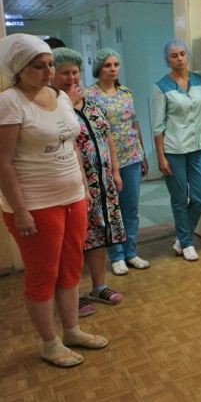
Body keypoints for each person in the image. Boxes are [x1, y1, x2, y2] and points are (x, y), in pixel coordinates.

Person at [0, 34, 108, 367]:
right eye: (39, 66)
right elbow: (3, 162)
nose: (48, 71)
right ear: (19, 68)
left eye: (50, 64)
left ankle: (71, 330)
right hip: (36, 204)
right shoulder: (10, 102)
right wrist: (20, 211)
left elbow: (72, 146)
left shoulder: (60, 97)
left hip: (72, 198)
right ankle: (50, 342)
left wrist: (84, 188)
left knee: (71, 267)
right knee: (43, 274)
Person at [52, 47, 127, 317]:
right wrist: (67, 105)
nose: (71, 77)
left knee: (99, 236)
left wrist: (115, 171)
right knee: (73, 243)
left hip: (102, 183)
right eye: (65, 73)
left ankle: (99, 286)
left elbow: (108, 139)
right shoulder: (52, 107)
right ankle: (74, 294)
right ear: (53, 75)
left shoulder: (93, 104)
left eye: (75, 72)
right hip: (74, 187)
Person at [85, 48, 150, 274]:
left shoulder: (126, 93)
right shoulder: (89, 95)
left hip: (131, 157)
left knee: (131, 208)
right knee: (112, 210)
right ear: (99, 68)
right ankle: (116, 256)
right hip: (105, 162)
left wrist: (142, 154)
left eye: (116, 64)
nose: (113, 69)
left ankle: (131, 252)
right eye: (108, 65)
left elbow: (135, 123)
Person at [151, 39, 201, 261]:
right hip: (173, 149)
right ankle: (187, 243)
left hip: (197, 147)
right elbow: (157, 126)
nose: (179, 58)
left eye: (182, 54)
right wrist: (161, 157)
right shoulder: (161, 87)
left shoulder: (200, 81)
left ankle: (182, 237)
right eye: (174, 55)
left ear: (187, 55)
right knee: (179, 199)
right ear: (167, 60)